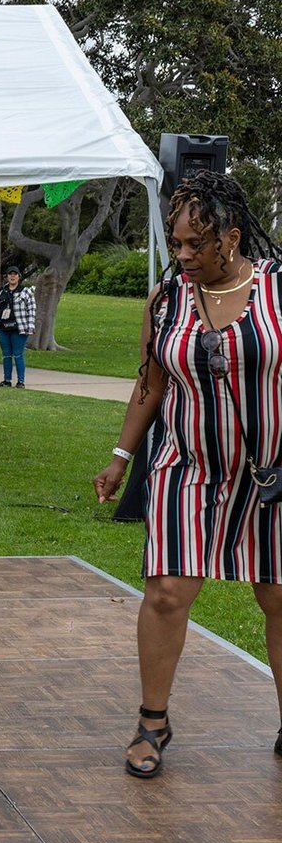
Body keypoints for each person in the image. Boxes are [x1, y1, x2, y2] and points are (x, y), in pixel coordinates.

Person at [95, 172, 282, 778]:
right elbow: (150, 384)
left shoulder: (279, 293)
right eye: (176, 243)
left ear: (231, 238)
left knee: (278, 596)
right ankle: (153, 721)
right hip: (187, 467)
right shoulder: (167, 298)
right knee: (168, 591)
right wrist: (122, 457)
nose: (181, 256)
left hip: (271, 473)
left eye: (194, 245)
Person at [0, 264, 36, 387]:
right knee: (6, 354)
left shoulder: (25, 292)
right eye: (10, 274)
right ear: (6, 277)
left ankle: (21, 381)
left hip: (19, 329)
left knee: (18, 354)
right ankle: (7, 380)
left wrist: (30, 327)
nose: (12, 276)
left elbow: (31, 310)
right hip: (3, 328)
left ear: (19, 276)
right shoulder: (1, 292)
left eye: (15, 274)